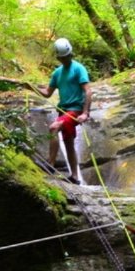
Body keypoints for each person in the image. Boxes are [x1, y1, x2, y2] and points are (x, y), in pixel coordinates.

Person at [32, 37, 92, 185]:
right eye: (62, 58)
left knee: (53, 127)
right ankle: (75, 177)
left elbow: (88, 92)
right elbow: (47, 93)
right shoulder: (57, 73)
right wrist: (31, 87)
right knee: (69, 143)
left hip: (75, 110)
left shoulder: (79, 68)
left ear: (71, 54)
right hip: (63, 110)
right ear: (58, 58)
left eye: (67, 56)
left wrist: (85, 113)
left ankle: (50, 165)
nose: (65, 59)